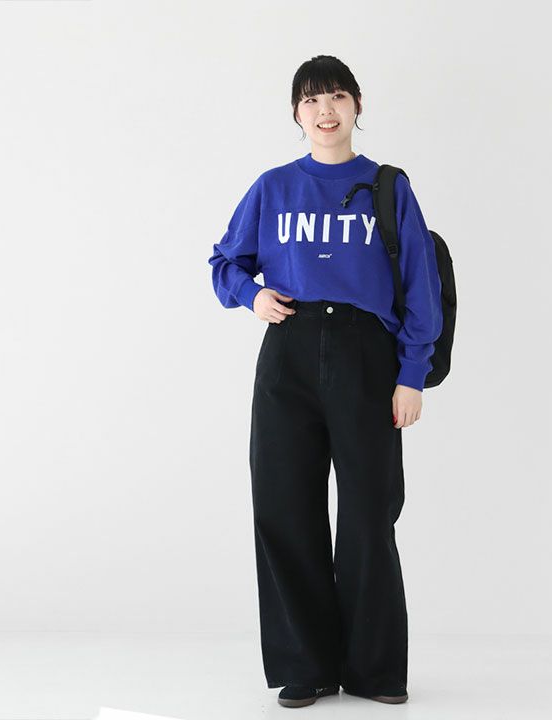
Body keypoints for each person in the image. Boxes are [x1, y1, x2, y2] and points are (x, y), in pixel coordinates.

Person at [208, 55, 442, 708]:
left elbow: (420, 283)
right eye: (311, 100)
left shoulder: (389, 187)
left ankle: (374, 670)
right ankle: (305, 666)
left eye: (337, 95)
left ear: (357, 105)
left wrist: (412, 375)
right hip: (289, 350)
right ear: (296, 113)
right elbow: (225, 262)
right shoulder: (274, 187)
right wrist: (252, 296)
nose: (325, 110)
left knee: (369, 512)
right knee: (285, 507)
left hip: (367, 354)